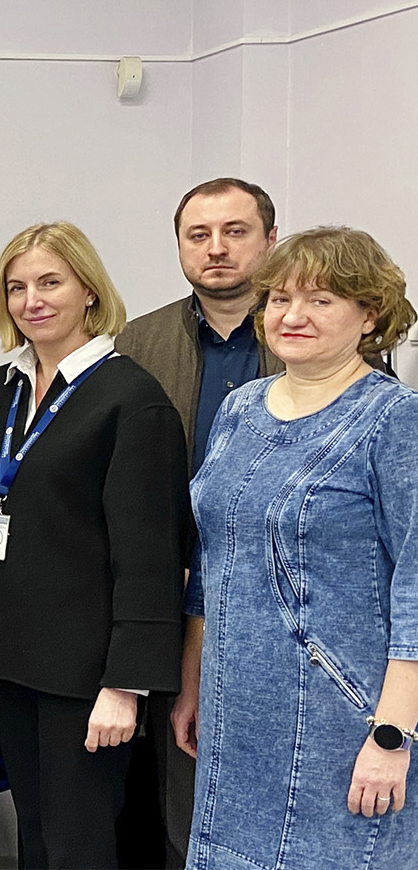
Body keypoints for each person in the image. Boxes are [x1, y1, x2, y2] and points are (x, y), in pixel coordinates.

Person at [0, 221, 189, 868]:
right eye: (16, 287)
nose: (32, 300)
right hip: (10, 662)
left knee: (77, 847)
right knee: (36, 840)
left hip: (87, 675)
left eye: (50, 282)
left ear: (89, 290)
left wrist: (126, 685)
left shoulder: (131, 399)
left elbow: (150, 559)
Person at [181, 226, 418, 868]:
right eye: (280, 298)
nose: (292, 315)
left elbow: (416, 588)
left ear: (369, 315)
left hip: (345, 721)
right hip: (235, 713)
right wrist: (193, 681)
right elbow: (214, 556)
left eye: (321, 300)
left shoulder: (394, 419)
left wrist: (393, 736)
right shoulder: (240, 409)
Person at [113, 177, 281, 868]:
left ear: (270, 239)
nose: (216, 249)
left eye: (235, 232)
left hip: (279, 594)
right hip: (169, 591)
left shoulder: (305, 332)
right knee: (177, 780)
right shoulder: (140, 341)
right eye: (198, 235)